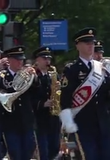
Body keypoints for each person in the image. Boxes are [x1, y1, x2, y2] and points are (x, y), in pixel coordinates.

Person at [59, 27, 110, 160]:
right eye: (87, 43)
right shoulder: (72, 69)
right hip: (83, 125)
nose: (90, 46)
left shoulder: (101, 69)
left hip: (104, 123)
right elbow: (65, 98)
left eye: (92, 43)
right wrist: (68, 122)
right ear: (78, 46)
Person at [0, 46, 39, 160]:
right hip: (10, 121)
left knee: (28, 151)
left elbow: (37, 92)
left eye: (21, 59)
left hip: (26, 120)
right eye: (17, 59)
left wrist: (35, 78)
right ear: (9, 60)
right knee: (15, 153)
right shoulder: (1, 76)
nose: (20, 62)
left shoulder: (28, 76)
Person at [32, 46, 61, 160]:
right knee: (43, 150)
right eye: (44, 58)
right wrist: (43, 103)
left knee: (54, 149)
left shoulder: (53, 74)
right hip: (39, 119)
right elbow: (28, 99)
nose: (47, 61)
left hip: (53, 118)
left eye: (49, 58)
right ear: (37, 60)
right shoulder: (33, 76)